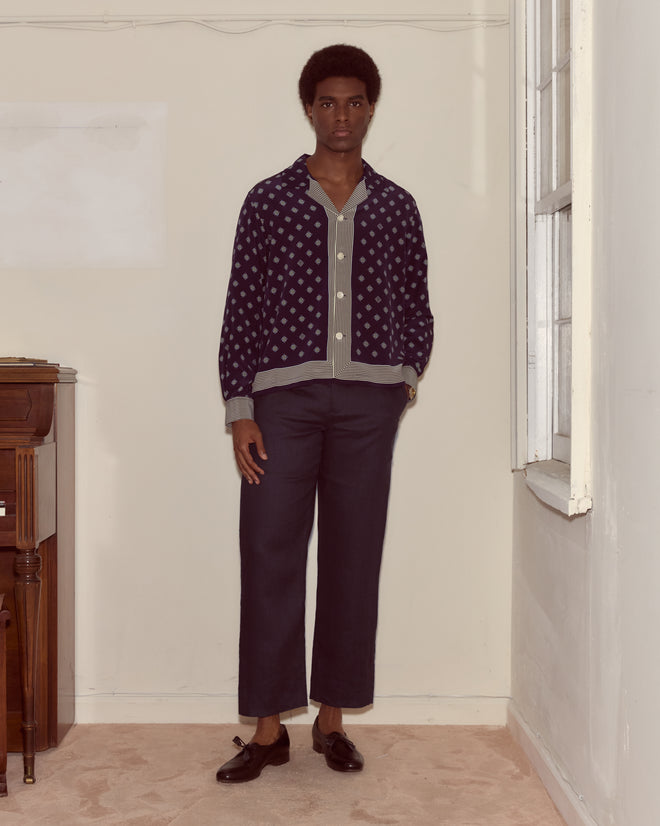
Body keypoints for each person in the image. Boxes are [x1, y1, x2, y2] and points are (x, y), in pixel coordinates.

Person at [216, 43, 433, 783]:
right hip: (282, 404)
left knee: (353, 558)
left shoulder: (398, 206)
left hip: (369, 406)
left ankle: (332, 721)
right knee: (268, 553)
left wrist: (402, 381)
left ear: (371, 109)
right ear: (309, 109)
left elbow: (418, 306)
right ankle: (268, 729)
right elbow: (242, 308)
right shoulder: (268, 200)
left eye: (355, 102)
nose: (342, 114)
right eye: (328, 102)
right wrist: (241, 407)